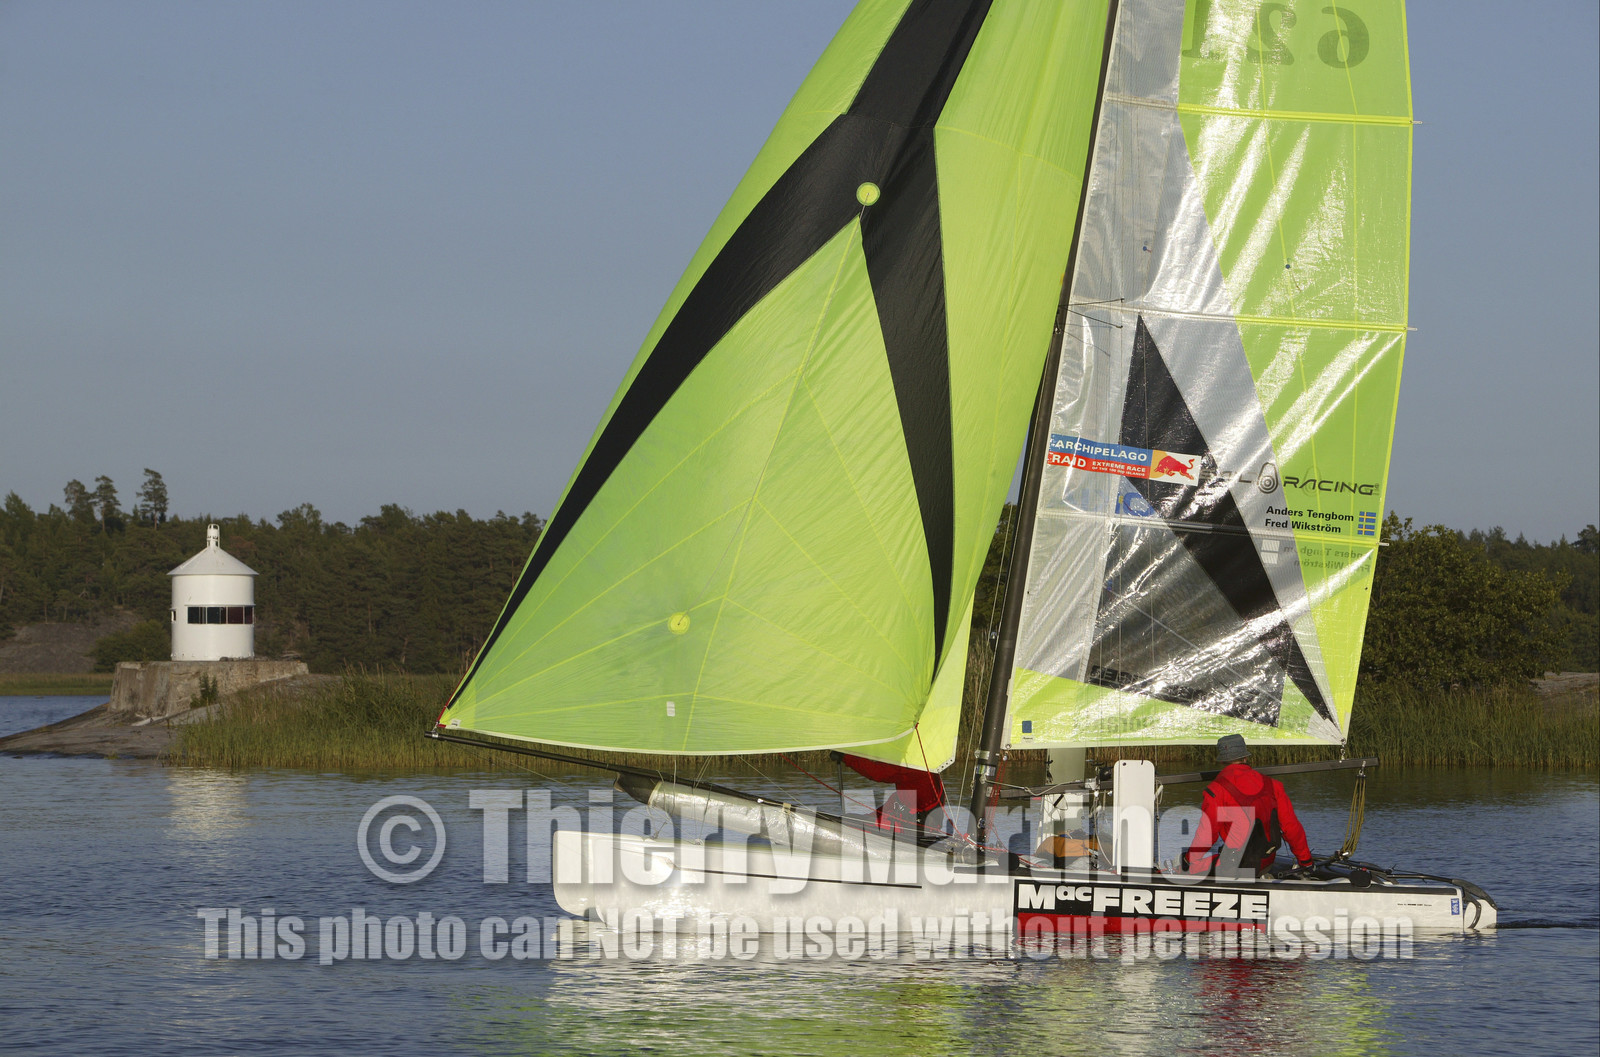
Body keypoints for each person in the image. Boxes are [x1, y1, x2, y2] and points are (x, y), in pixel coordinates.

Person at [1185, 734, 1314, 878]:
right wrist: (1306, 861)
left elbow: (1206, 836)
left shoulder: (1216, 790)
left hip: (1236, 867)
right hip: (1266, 863)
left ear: (1222, 761)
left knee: (1185, 867)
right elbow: (1291, 828)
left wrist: (1188, 860)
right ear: (1245, 757)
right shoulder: (1273, 785)